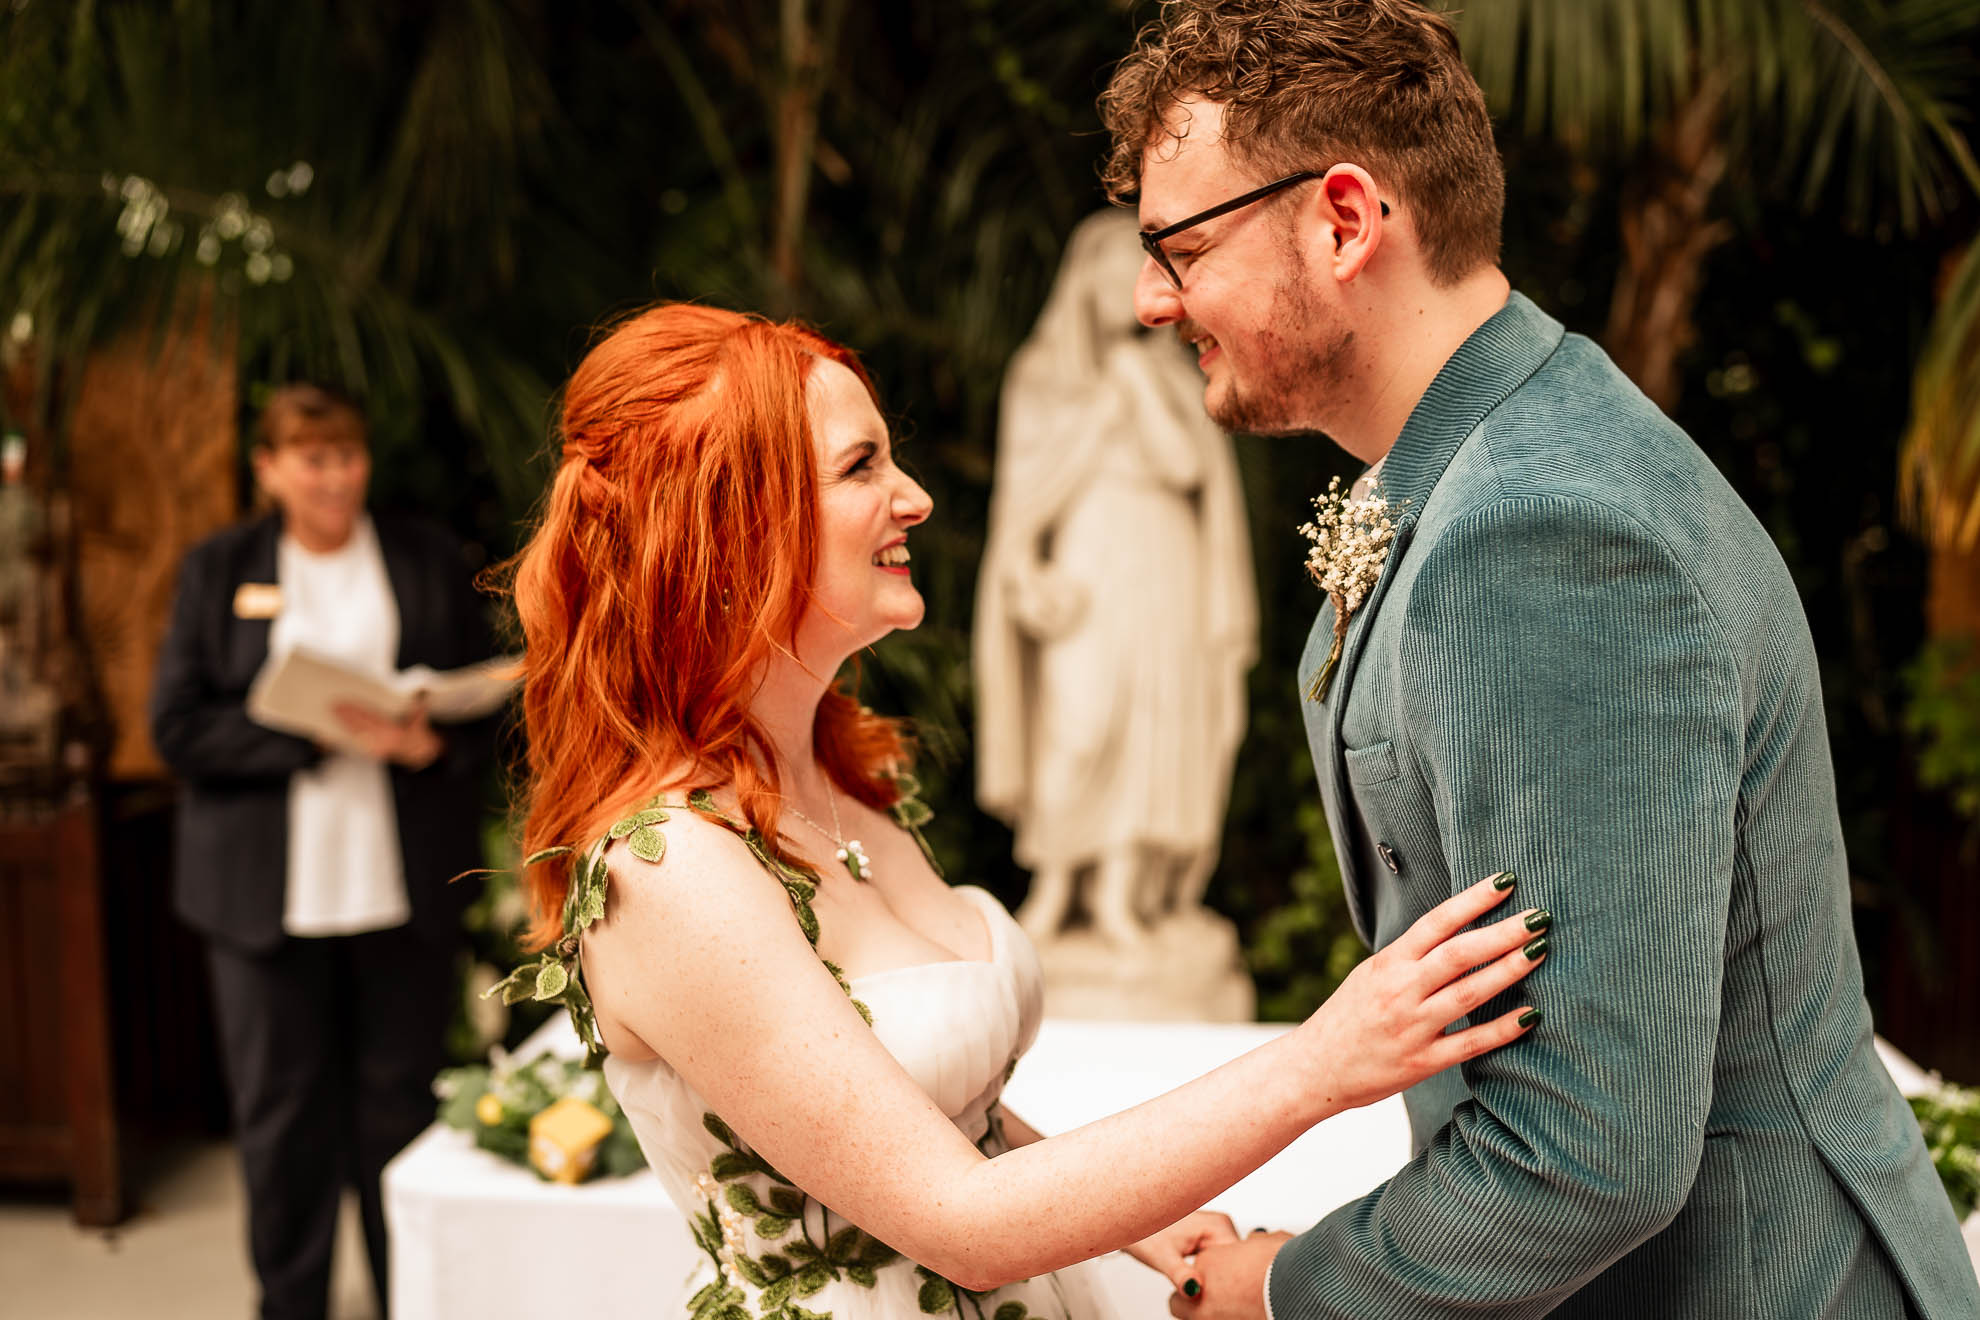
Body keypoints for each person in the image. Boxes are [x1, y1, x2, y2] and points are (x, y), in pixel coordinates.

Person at [1096, 2, 1980, 1317]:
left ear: (1345, 220)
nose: (1150, 297)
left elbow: (1590, 1149)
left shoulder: (1539, 524)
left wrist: (1283, 1288)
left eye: (1184, 245)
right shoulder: (1494, 455)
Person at [501, 302, 1551, 1319]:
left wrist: (1139, 1220)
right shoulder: (670, 867)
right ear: (730, 533)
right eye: (862, 467)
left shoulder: (844, 779)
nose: (913, 496)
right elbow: (955, 1219)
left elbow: (926, 1114)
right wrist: (1323, 1063)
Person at [150, 383, 501, 1320]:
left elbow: (485, 704)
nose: (335, 476)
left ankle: (410, 1300)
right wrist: (316, 736)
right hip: (264, 898)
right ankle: (292, 1305)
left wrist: (429, 744)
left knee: (401, 1114)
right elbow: (177, 728)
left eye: (348, 455)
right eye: (312, 458)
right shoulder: (219, 567)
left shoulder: (423, 556)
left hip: (401, 889)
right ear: (267, 469)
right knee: (282, 1123)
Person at [976, 209, 1257, 950]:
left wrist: (1134, 384)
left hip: (1164, 564)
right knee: (1077, 722)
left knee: (1154, 724)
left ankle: (1121, 897)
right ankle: (1056, 885)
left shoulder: (1172, 373)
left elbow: (1189, 468)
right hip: (1085, 574)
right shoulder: (1040, 379)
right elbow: (1019, 505)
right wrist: (1024, 571)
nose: (1132, 291)